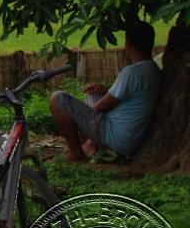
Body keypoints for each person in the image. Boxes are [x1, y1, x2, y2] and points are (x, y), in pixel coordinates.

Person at [50, 22, 161, 162]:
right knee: (92, 93)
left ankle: (77, 153)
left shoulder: (132, 73)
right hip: (130, 138)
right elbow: (133, 93)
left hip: (116, 137)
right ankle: (90, 145)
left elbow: (100, 107)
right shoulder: (153, 70)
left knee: (58, 99)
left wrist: (82, 114)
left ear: (128, 44)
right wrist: (106, 90)